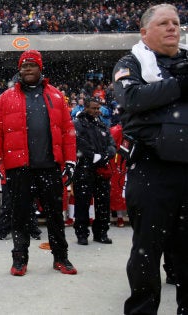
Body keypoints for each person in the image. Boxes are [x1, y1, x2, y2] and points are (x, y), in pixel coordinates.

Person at [112, 4, 188, 313]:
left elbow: (148, 106)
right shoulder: (131, 62)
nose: (173, 27)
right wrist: (180, 86)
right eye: (164, 23)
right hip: (151, 169)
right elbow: (132, 99)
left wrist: (160, 98)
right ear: (145, 32)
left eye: (176, 22)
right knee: (146, 252)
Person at [0, 50, 77, 276]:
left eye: (32, 65)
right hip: (19, 168)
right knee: (19, 216)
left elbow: (67, 131)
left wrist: (70, 160)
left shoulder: (56, 96)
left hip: (49, 166)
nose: (28, 69)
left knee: (55, 215)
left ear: (40, 68)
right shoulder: (6, 98)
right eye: (24, 66)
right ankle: (20, 260)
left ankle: (61, 258)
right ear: (19, 69)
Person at [71, 97, 116, 245]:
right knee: (82, 203)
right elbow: (79, 142)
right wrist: (93, 156)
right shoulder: (77, 124)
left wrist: (105, 156)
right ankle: (82, 233)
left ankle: (101, 233)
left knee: (103, 202)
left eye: (98, 108)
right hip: (84, 168)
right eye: (94, 108)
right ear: (86, 108)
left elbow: (111, 143)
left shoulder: (102, 124)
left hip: (101, 169)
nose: (97, 111)